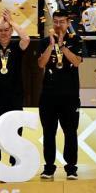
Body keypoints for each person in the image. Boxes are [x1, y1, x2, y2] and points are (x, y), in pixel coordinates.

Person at [0, 9, 30, 178]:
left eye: (6, 30)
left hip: (14, 95)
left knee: (15, 130)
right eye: (0, 31)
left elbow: (26, 39)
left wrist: (12, 22)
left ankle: (15, 163)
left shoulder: (17, 47)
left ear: (11, 31)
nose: (3, 33)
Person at [37, 10, 84, 180]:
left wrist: (62, 46)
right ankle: (49, 167)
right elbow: (41, 64)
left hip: (70, 96)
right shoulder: (44, 41)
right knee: (48, 132)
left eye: (62, 22)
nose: (58, 25)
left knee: (70, 132)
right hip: (48, 96)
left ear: (68, 22)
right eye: (55, 22)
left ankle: (71, 168)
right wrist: (51, 46)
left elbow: (76, 62)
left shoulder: (76, 40)